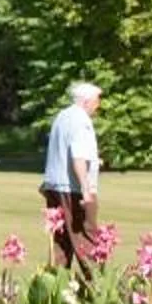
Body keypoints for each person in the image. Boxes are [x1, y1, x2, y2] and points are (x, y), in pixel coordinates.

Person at [40, 82, 103, 274]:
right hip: (73, 189)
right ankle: (96, 290)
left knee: (61, 241)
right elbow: (78, 156)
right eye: (96, 101)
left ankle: (56, 288)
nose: (98, 106)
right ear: (86, 101)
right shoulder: (81, 121)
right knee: (86, 239)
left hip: (54, 186)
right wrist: (86, 188)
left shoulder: (62, 116)